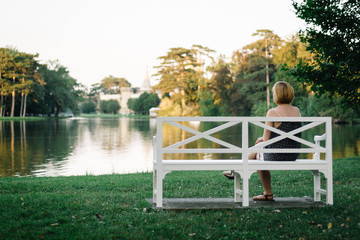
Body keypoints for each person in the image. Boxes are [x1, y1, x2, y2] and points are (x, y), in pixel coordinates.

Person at [223, 81, 302, 201]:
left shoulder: (272, 112)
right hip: (293, 154)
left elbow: (266, 139)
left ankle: (265, 191)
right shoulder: (296, 111)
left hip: (277, 155)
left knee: (258, 152)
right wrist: (262, 141)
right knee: (258, 150)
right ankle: (236, 171)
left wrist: (261, 140)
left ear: (277, 95)